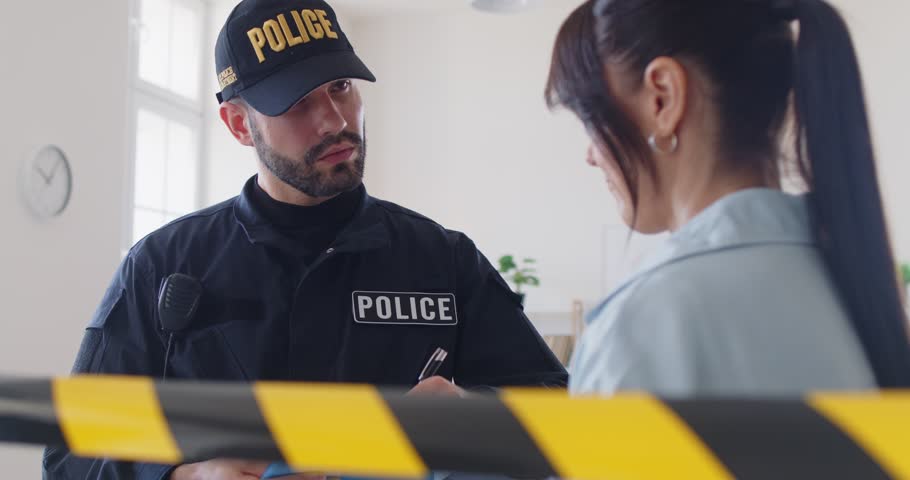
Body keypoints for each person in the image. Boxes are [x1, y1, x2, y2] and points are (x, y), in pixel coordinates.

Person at [42, 0, 567, 478]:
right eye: (296, 103)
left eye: (341, 87)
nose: (335, 121)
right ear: (239, 125)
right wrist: (182, 476)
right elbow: (69, 457)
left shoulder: (443, 261)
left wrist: (479, 413)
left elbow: (561, 409)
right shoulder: (161, 267)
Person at [546, 0, 910, 396]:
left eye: (590, 120)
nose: (590, 155)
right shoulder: (863, 292)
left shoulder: (638, 328)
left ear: (662, 98)